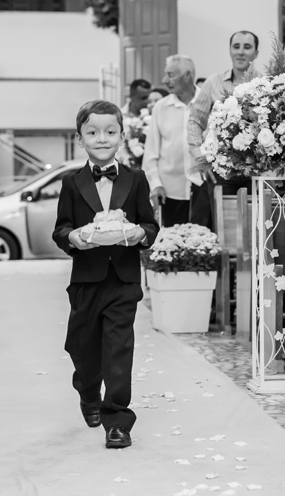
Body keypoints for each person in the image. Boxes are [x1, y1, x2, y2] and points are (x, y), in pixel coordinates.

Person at [52, 100, 159, 450]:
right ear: (80, 139)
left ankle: (118, 420)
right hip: (85, 280)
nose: (102, 139)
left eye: (110, 132)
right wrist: (74, 238)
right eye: (93, 133)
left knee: (118, 349)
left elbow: (149, 224)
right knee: (81, 349)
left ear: (122, 136)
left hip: (123, 279)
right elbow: (61, 229)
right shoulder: (71, 183)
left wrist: (140, 233)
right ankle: (86, 388)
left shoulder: (136, 179)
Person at [186, 31, 258, 226]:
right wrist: (200, 157)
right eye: (236, 47)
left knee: (254, 224)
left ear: (256, 53)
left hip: (256, 170)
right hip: (221, 169)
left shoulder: (265, 83)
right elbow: (194, 121)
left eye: (247, 47)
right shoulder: (213, 83)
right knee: (222, 225)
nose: (241, 52)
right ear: (229, 51)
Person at [143, 55, 200, 227]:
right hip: (169, 192)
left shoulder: (208, 102)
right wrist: (155, 184)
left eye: (170, 75)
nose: (164, 80)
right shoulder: (161, 107)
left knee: (205, 245)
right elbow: (150, 152)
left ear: (187, 76)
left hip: (202, 189)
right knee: (172, 245)